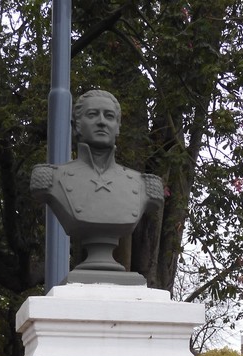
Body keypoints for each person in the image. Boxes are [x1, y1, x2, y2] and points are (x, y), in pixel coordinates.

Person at [30, 90, 163, 282]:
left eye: (109, 116)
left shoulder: (145, 185)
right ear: (76, 125)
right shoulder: (50, 178)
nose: (101, 121)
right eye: (92, 115)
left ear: (117, 127)